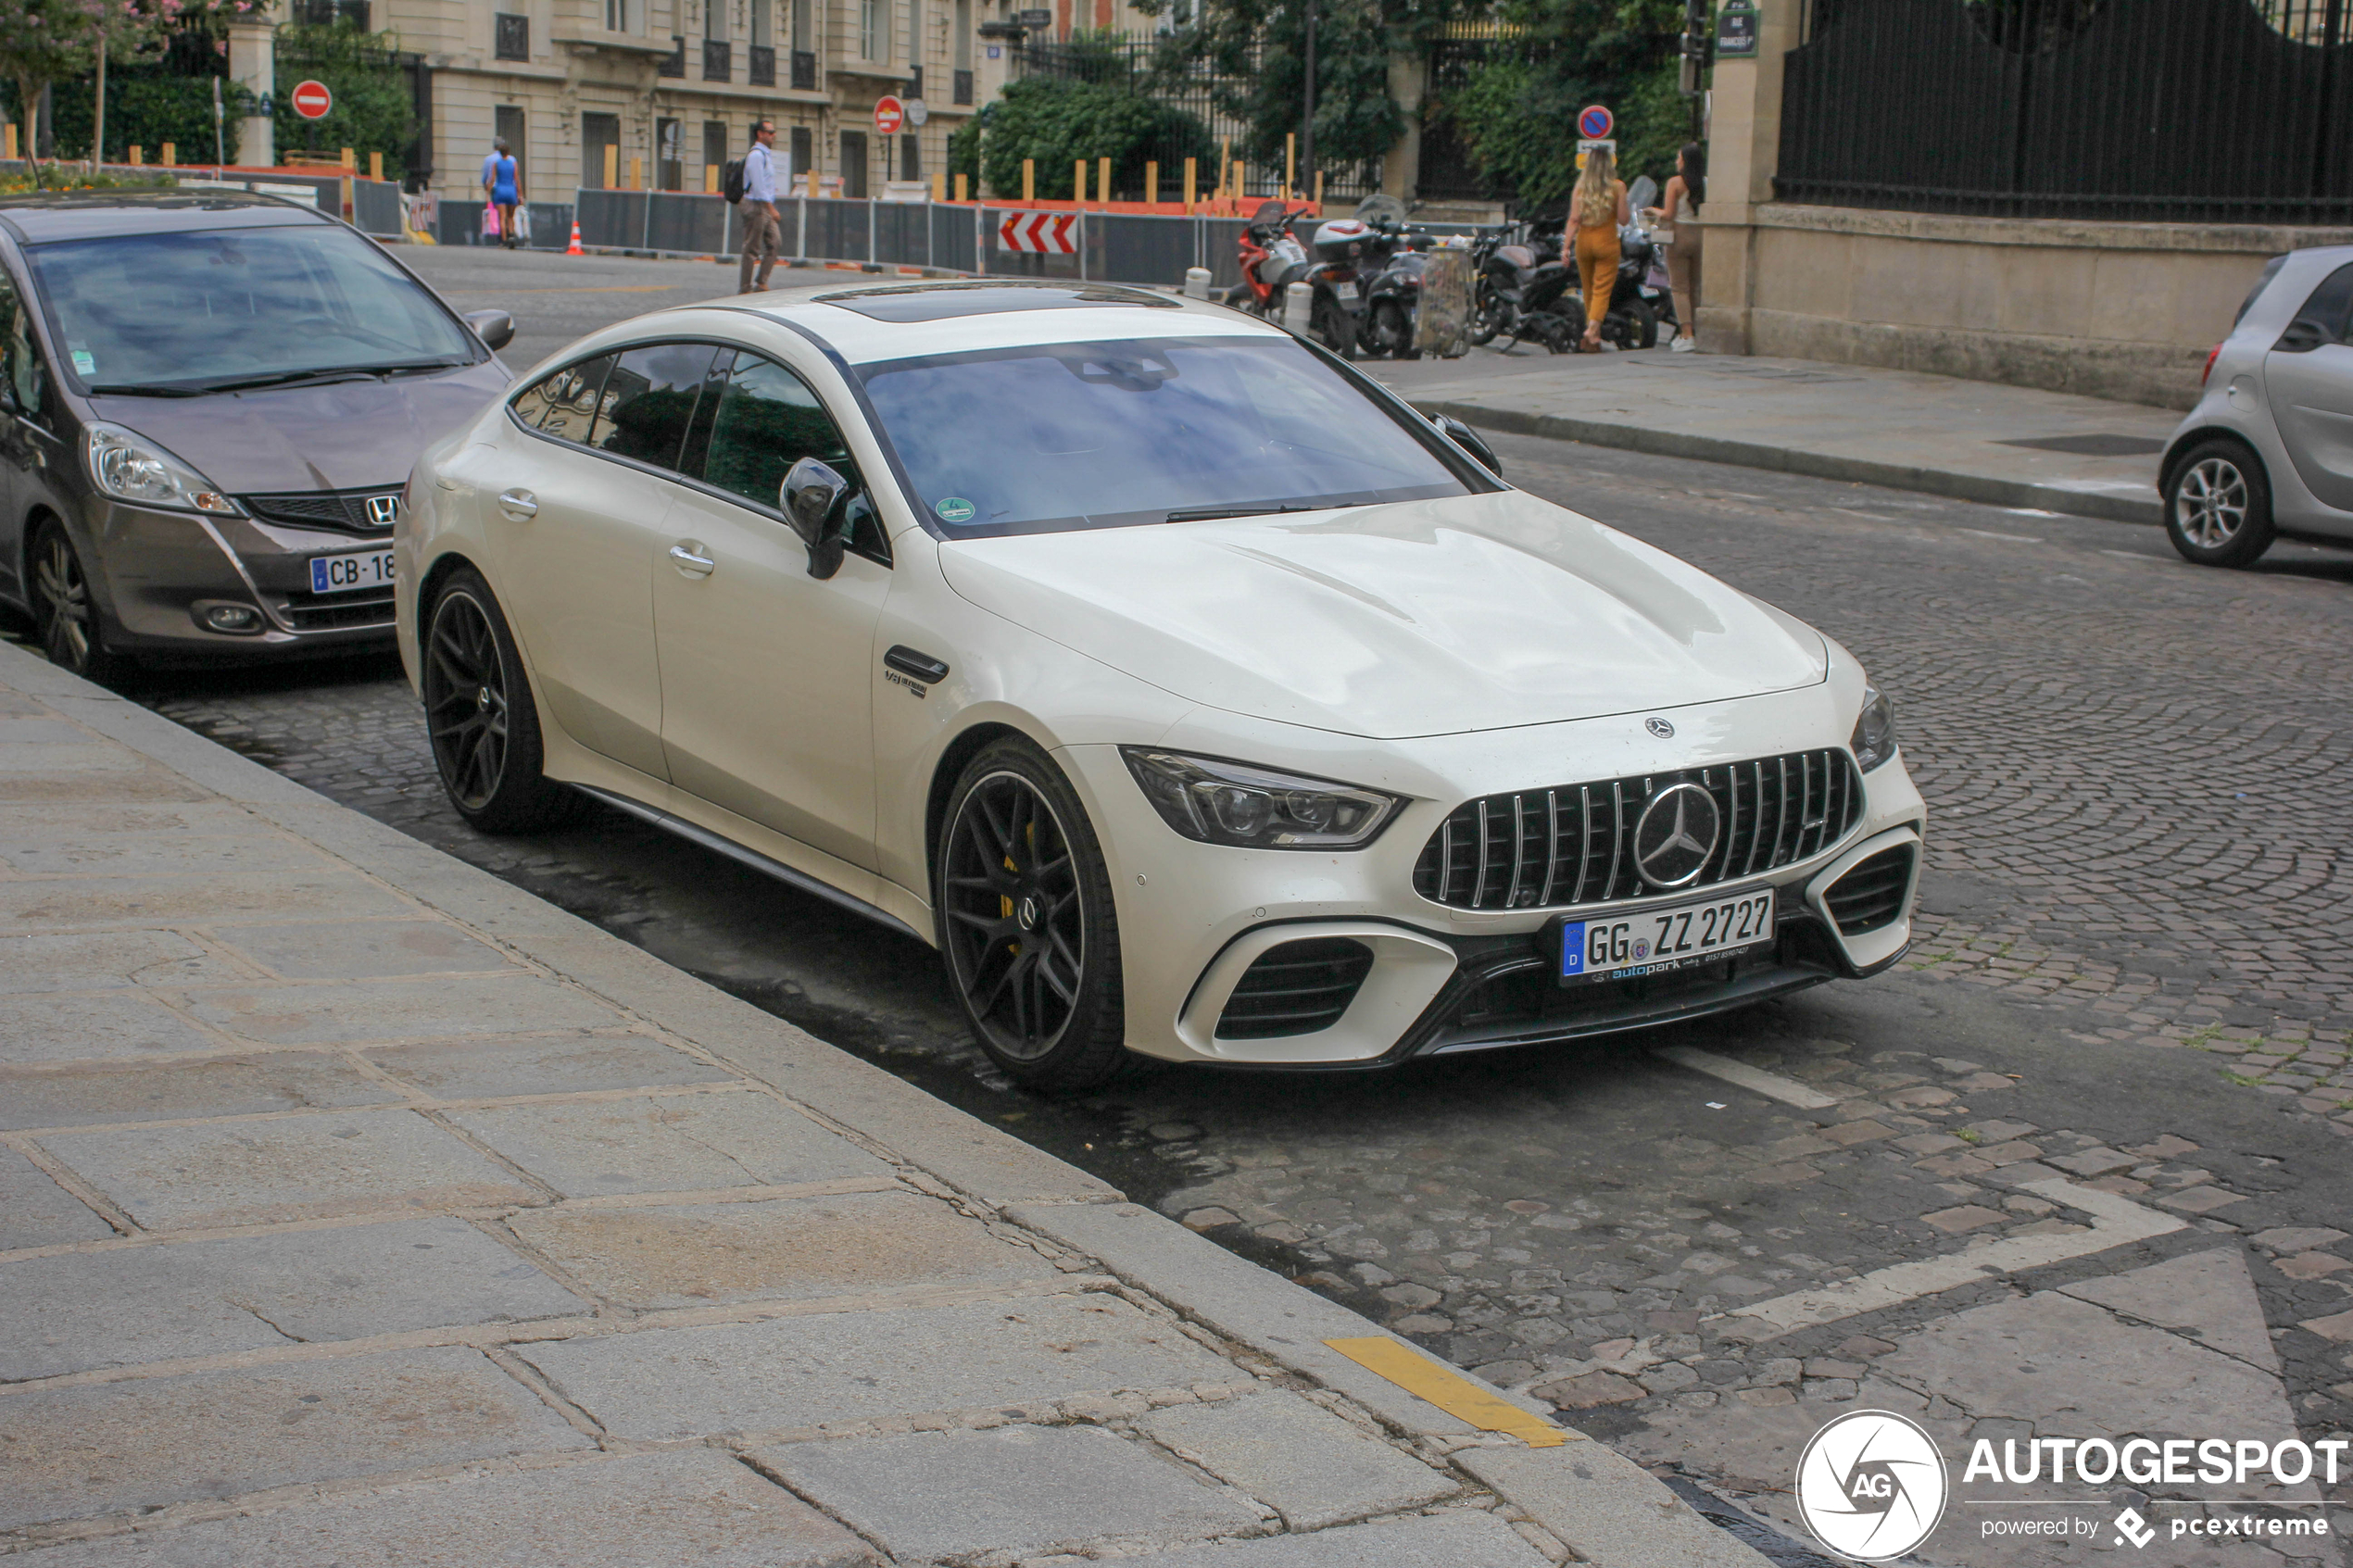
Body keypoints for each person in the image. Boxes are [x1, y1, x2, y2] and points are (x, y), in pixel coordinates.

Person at [1562, 145, 1629, 353]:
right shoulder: (1618, 187)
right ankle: (1592, 329)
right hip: (1607, 241)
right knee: (1602, 290)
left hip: (1584, 242)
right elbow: (1624, 220)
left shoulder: (1580, 188)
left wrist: (1565, 248)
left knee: (1588, 289)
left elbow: (1574, 220)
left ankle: (1595, 338)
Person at [1651, 142, 1705, 353]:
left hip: (1679, 236)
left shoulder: (1675, 183)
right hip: (1700, 235)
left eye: (1679, 158)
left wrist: (1653, 211)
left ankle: (1686, 334)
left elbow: (1669, 214)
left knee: (1679, 287)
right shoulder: (1705, 183)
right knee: (1695, 285)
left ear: (1685, 161)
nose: (1676, 161)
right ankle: (1698, 331)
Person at [737, 120, 781, 294]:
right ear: (760, 134)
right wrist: (771, 208)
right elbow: (758, 185)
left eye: (773, 132)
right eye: (770, 132)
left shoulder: (766, 155)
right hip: (756, 205)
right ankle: (745, 287)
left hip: (764, 205)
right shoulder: (756, 156)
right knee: (752, 248)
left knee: (775, 242)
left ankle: (761, 281)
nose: (773, 135)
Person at [483, 138, 522, 249]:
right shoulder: (513, 163)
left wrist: (488, 193)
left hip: (500, 191)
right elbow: (517, 179)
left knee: (502, 217)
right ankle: (511, 236)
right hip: (511, 191)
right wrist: (520, 194)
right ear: (508, 152)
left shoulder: (496, 163)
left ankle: (503, 241)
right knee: (511, 217)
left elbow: (492, 179)